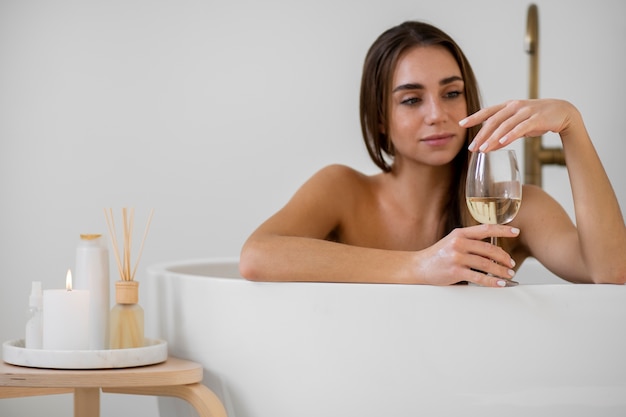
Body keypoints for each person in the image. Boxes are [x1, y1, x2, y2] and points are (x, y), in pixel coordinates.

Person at [239, 21, 626, 287]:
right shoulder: (342, 189)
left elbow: (610, 273)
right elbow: (257, 257)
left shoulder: (516, 207)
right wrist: (421, 265)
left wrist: (572, 127)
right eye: (411, 99)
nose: (437, 114)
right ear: (380, 119)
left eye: (452, 93)